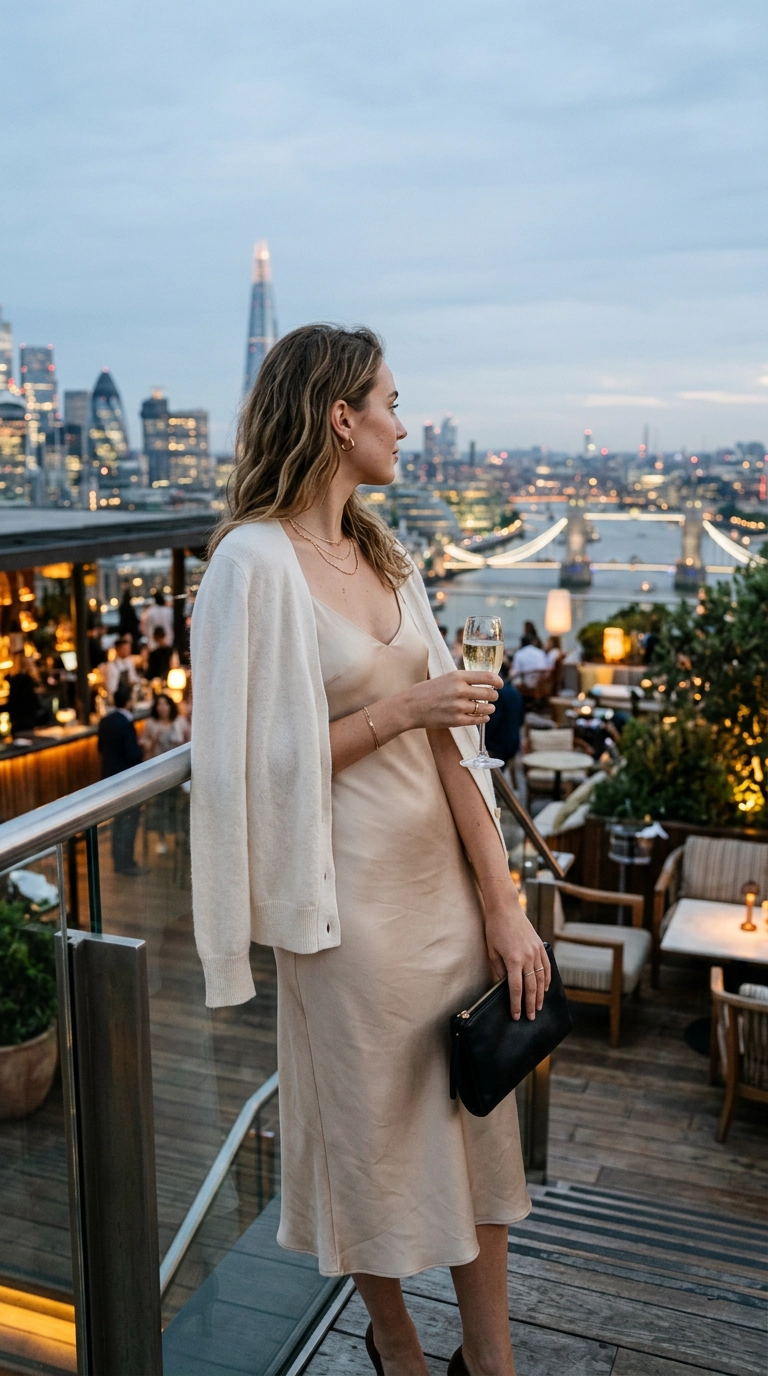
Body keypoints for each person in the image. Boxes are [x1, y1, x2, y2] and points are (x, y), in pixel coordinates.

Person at [190, 324, 550, 1376]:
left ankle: (493, 1358)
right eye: (391, 399)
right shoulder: (250, 562)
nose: (405, 419)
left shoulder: (385, 552)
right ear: (340, 416)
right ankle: (397, 1340)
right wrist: (407, 709)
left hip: (443, 894)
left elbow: (457, 743)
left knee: (478, 1118)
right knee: (374, 1133)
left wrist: (502, 895)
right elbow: (243, 769)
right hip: (346, 914)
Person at [98, 684, 143, 875]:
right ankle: (127, 862)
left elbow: (100, 748)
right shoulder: (126, 723)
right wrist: (142, 748)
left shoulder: (105, 721)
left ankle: (117, 860)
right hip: (127, 779)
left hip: (109, 776)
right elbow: (133, 755)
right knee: (130, 820)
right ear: (129, 702)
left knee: (118, 821)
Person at [141, 693, 190, 854]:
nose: (163, 707)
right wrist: (154, 739)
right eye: (159, 704)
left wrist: (181, 744)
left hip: (179, 772)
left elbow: (190, 742)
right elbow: (146, 749)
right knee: (161, 806)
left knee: (181, 806)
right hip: (159, 772)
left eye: (166, 704)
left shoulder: (180, 721)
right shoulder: (150, 724)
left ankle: (182, 838)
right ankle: (162, 839)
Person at [484, 660, 524, 770]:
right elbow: (521, 721)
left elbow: (492, 724)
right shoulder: (515, 692)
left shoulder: (497, 695)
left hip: (499, 747)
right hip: (514, 743)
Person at [102, 634, 142, 704]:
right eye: (125, 649)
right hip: (119, 700)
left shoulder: (129, 661)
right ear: (118, 650)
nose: (128, 651)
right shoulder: (112, 666)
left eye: (129, 649)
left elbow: (132, 678)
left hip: (129, 697)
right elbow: (111, 688)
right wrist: (112, 701)